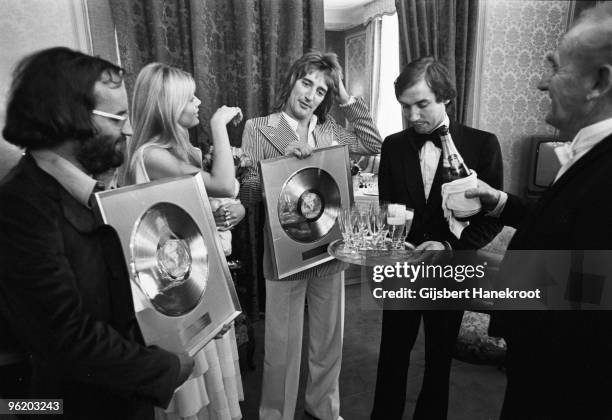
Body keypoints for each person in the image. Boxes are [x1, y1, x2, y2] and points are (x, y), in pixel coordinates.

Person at [0, 47, 193, 419]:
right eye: (118, 117)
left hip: (119, 395)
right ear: (68, 118)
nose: (130, 129)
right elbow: (65, 337)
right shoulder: (18, 208)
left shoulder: (86, 189)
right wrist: (166, 369)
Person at [466, 3, 612, 418]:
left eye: (555, 67)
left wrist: (495, 275)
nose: (540, 83)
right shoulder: (592, 157)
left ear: (598, 82)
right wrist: (500, 202)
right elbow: (567, 231)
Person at [240, 51, 382, 420]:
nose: (310, 96)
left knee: (328, 341)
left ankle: (323, 407)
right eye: (306, 83)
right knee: (282, 346)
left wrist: (347, 96)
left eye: (321, 91)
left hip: (330, 248)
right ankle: (276, 414)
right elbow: (250, 194)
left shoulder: (330, 130)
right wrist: (280, 164)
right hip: (285, 253)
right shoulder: (259, 128)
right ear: (292, 80)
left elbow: (373, 143)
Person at [371, 57, 503, 420]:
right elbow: (387, 210)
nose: (412, 116)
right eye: (405, 107)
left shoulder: (483, 145)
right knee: (392, 358)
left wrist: (448, 247)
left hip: (453, 268)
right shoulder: (394, 145)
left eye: (422, 104)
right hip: (402, 268)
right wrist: (392, 244)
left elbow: (490, 220)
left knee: (438, 361)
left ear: (446, 97)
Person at [126, 62, 245, 419]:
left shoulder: (185, 153)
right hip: (174, 286)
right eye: (189, 97)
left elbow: (217, 201)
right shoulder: (151, 155)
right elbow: (223, 182)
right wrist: (219, 127)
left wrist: (235, 211)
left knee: (211, 379)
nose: (198, 102)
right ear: (167, 107)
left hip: (198, 276)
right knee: (193, 386)